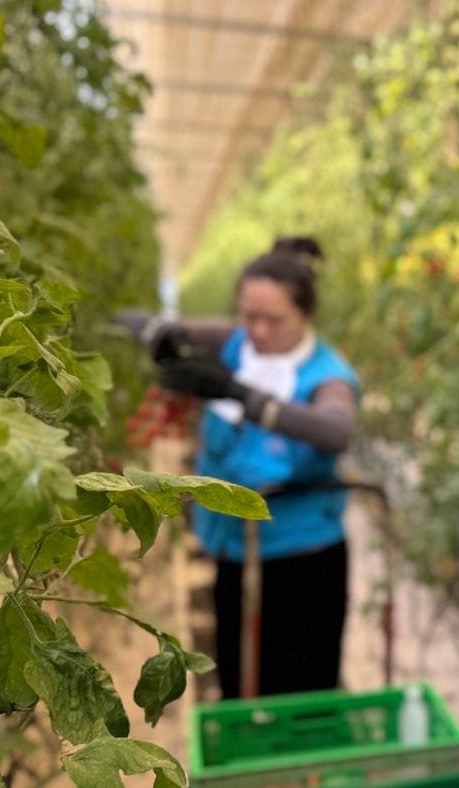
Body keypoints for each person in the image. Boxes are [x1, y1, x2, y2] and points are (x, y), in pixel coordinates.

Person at [119, 237, 359, 698]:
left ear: (306, 316)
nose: (259, 331)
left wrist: (242, 396)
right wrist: (160, 337)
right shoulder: (236, 342)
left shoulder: (327, 374)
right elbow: (140, 322)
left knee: (303, 681)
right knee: (241, 676)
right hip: (234, 546)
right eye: (249, 316)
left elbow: (336, 430)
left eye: (275, 320)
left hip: (303, 554)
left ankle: (302, 768)